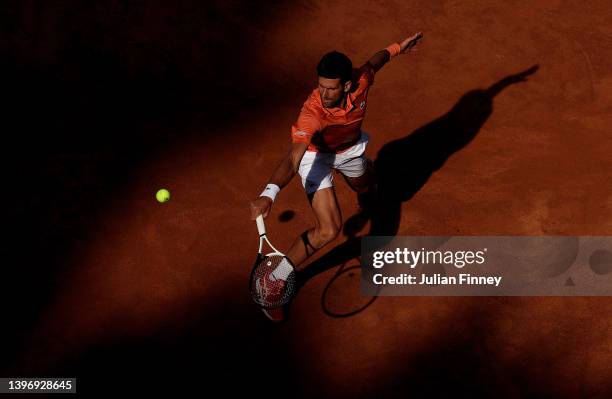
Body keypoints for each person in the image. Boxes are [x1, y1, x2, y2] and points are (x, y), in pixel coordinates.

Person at [250, 32, 423, 320]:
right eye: (320, 86)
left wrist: (397, 49)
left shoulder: (362, 80)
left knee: (366, 184)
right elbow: (293, 159)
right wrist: (269, 193)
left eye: (330, 89)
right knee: (329, 229)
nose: (323, 94)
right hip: (315, 157)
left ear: (347, 85)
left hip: (349, 149)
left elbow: (375, 62)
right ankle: (275, 278)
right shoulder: (312, 112)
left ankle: (366, 191)